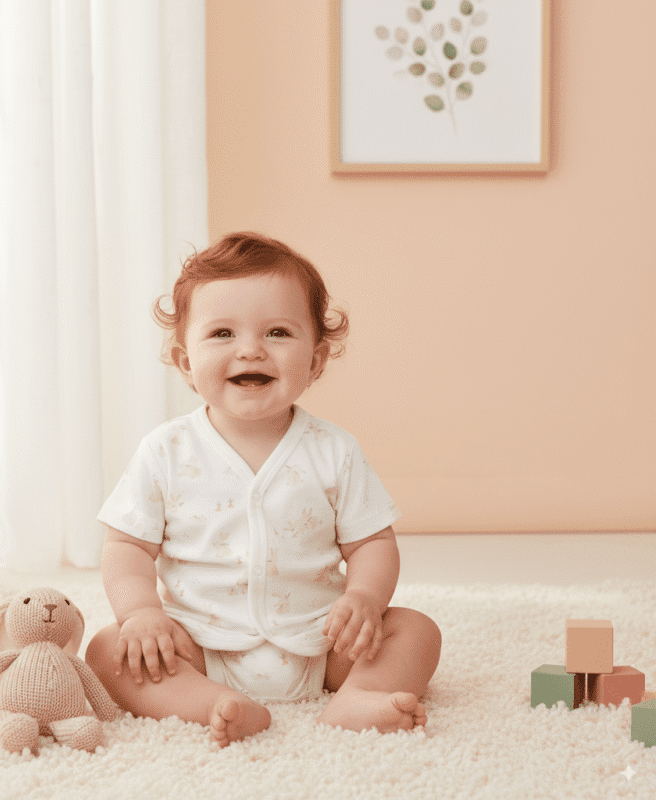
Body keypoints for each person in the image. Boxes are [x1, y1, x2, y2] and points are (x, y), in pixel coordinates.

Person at [85, 232, 441, 747]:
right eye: (223, 333)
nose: (250, 349)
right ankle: (216, 705)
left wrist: (363, 597)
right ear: (186, 362)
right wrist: (141, 613)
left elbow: (372, 543)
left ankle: (356, 698)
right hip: (199, 647)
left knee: (415, 631)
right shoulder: (166, 450)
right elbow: (126, 547)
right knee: (109, 649)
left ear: (316, 360)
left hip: (321, 643)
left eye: (277, 332)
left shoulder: (333, 451)